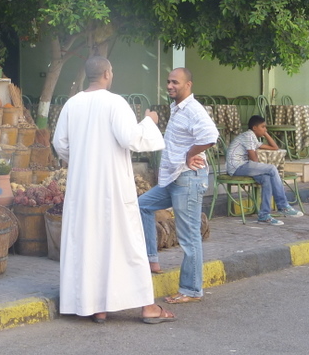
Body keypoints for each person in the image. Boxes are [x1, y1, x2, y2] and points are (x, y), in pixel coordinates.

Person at [52, 56, 175, 325]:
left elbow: (60, 144)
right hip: (112, 186)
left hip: (82, 187)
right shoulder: (115, 103)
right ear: (108, 74)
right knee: (124, 241)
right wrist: (149, 121)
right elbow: (130, 138)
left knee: (88, 242)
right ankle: (147, 307)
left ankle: (97, 307)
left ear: (88, 75)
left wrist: (85, 158)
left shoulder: (72, 104)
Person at [138, 67, 218, 304]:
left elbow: (210, 135)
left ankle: (192, 289)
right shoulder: (176, 108)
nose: (170, 86)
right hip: (173, 179)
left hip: (188, 180)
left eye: (175, 82)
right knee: (141, 205)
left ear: (188, 85)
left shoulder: (193, 109)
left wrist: (189, 154)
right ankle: (151, 258)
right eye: (168, 82)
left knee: (189, 236)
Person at [226, 115, 304, 225]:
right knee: (271, 169)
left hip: (244, 165)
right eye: (263, 127)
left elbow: (275, 147)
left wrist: (265, 133)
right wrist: (260, 169)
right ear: (254, 128)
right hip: (237, 167)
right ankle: (282, 205)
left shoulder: (253, 138)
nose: (265, 129)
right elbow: (254, 159)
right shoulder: (248, 136)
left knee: (266, 178)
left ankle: (264, 215)